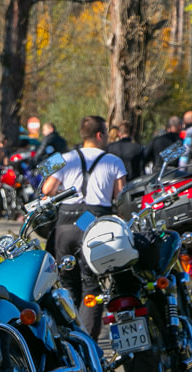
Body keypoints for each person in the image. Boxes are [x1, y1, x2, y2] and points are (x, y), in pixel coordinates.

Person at [42, 115, 126, 341]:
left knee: (67, 286)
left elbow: (47, 189)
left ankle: (69, 341)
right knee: (92, 287)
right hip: (94, 223)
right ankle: (88, 343)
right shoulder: (114, 161)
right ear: (100, 135)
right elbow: (122, 198)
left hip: (64, 224)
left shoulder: (62, 158)